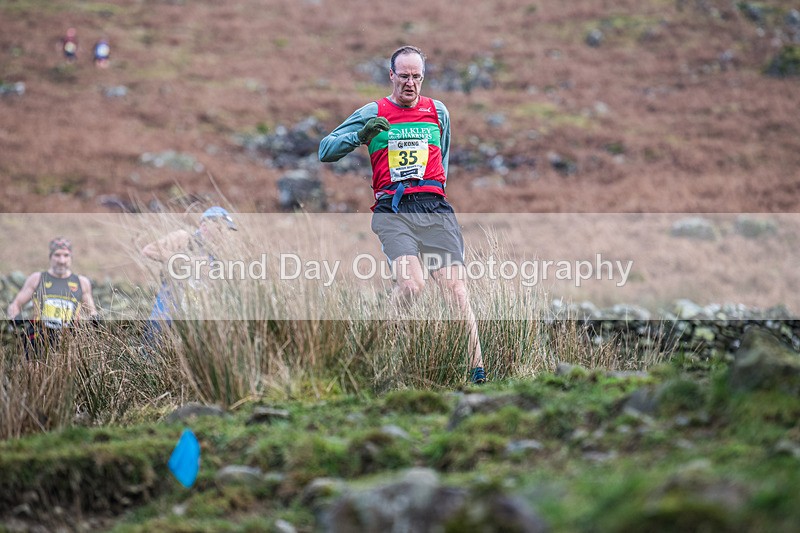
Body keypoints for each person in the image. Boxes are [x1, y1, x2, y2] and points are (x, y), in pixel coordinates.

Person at [319, 45, 487, 384]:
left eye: (416, 77)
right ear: (391, 75)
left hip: (434, 208)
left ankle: (477, 372)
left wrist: (434, 192)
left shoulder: (438, 112)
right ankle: (380, 358)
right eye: (404, 76)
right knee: (412, 286)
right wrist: (360, 136)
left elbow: (444, 159)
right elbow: (325, 150)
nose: (410, 84)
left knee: (456, 291)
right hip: (393, 211)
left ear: (422, 77)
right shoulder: (373, 111)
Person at [140, 207, 237, 347]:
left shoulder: (220, 257)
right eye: (221, 229)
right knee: (148, 362)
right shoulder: (184, 237)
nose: (225, 235)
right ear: (205, 226)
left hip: (193, 326)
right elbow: (149, 250)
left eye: (228, 231)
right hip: (164, 318)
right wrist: (190, 261)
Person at [6, 237, 98, 355]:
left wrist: (96, 321)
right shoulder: (37, 278)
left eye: (66, 255)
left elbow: (92, 312)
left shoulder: (82, 282)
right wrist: (15, 317)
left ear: (71, 258)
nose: (62, 260)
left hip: (69, 339)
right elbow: (15, 304)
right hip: (38, 337)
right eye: (57, 255)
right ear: (50, 256)